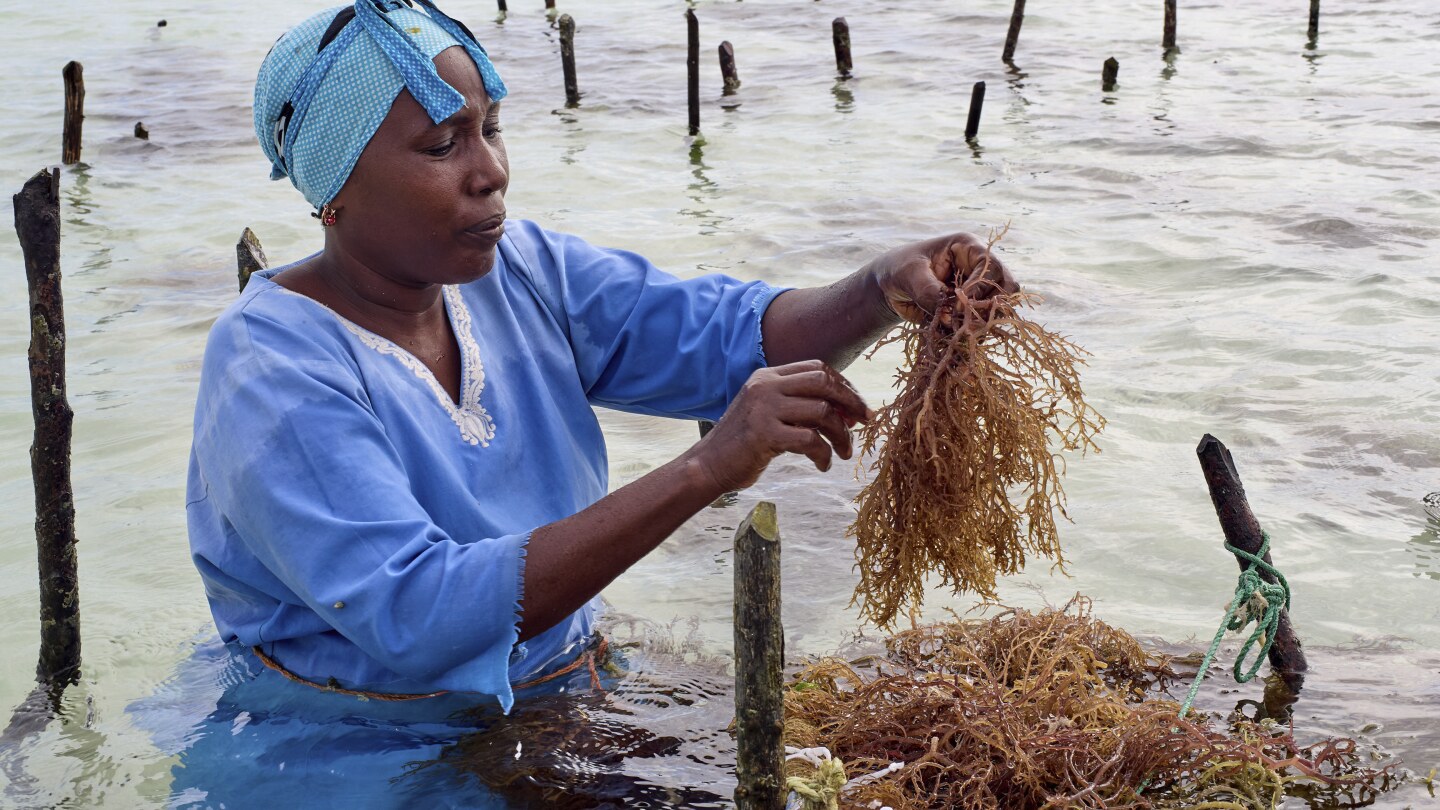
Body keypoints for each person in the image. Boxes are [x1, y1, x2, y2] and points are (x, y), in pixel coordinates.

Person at [187, 0, 1018, 721]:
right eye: (442, 146)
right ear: (336, 185)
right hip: (357, 741)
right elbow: (420, 616)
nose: (491, 172)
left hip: (555, 689)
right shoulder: (272, 366)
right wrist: (706, 468)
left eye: (491, 129)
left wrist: (879, 287)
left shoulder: (519, 273)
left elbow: (724, 337)